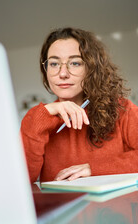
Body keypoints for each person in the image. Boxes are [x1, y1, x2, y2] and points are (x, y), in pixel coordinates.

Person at [20, 27, 138, 183]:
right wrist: (42, 115)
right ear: (45, 69)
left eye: (75, 63)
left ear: (91, 68)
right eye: (54, 64)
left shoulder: (123, 109)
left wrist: (94, 168)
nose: (63, 74)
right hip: (61, 207)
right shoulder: (37, 120)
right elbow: (19, 182)